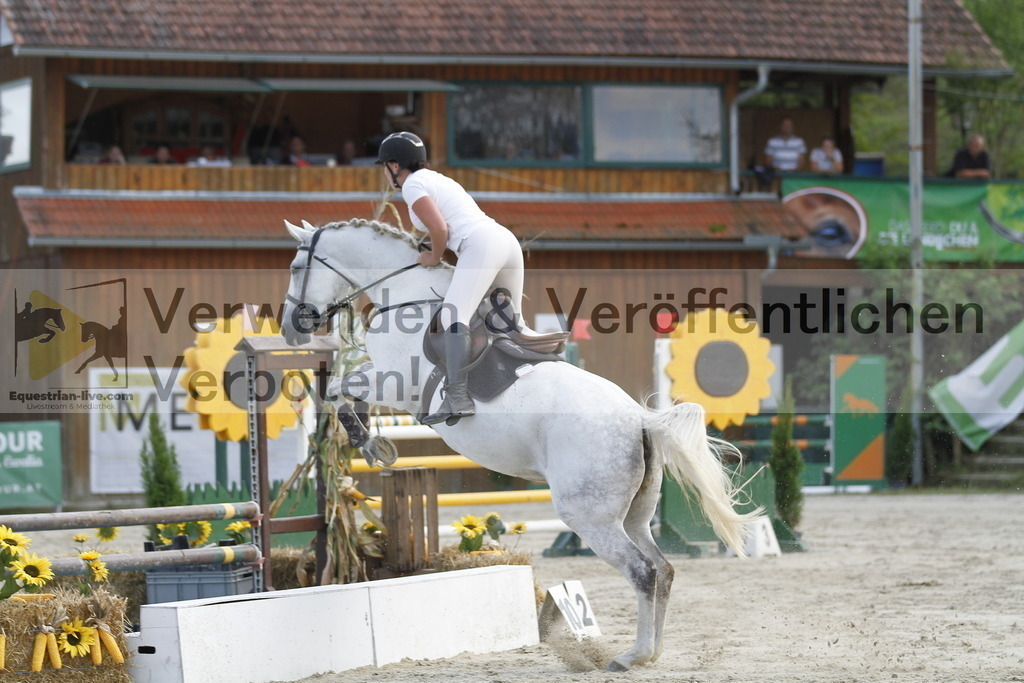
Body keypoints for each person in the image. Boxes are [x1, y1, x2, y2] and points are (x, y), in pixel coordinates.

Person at [377, 131, 530, 426]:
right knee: (514, 323)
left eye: (385, 166)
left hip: (481, 244)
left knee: (452, 317)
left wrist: (434, 257)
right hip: (505, 241)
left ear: (395, 166)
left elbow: (440, 230)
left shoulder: (413, 185)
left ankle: (457, 396)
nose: (385, 173)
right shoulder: (438, 179)